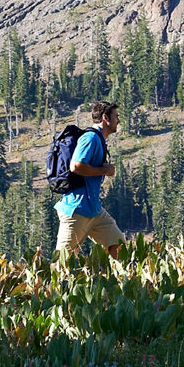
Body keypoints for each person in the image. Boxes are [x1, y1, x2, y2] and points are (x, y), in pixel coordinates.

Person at [55, 100, 124, 258]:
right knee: (63, 263)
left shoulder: (98, 138)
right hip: (76, 210)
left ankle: (120, 280)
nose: (118, 120)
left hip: (93, 209)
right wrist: (103, 170)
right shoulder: (91, 138)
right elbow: (76, 166)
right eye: (116, 117)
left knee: (119, 247)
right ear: (106, 118)